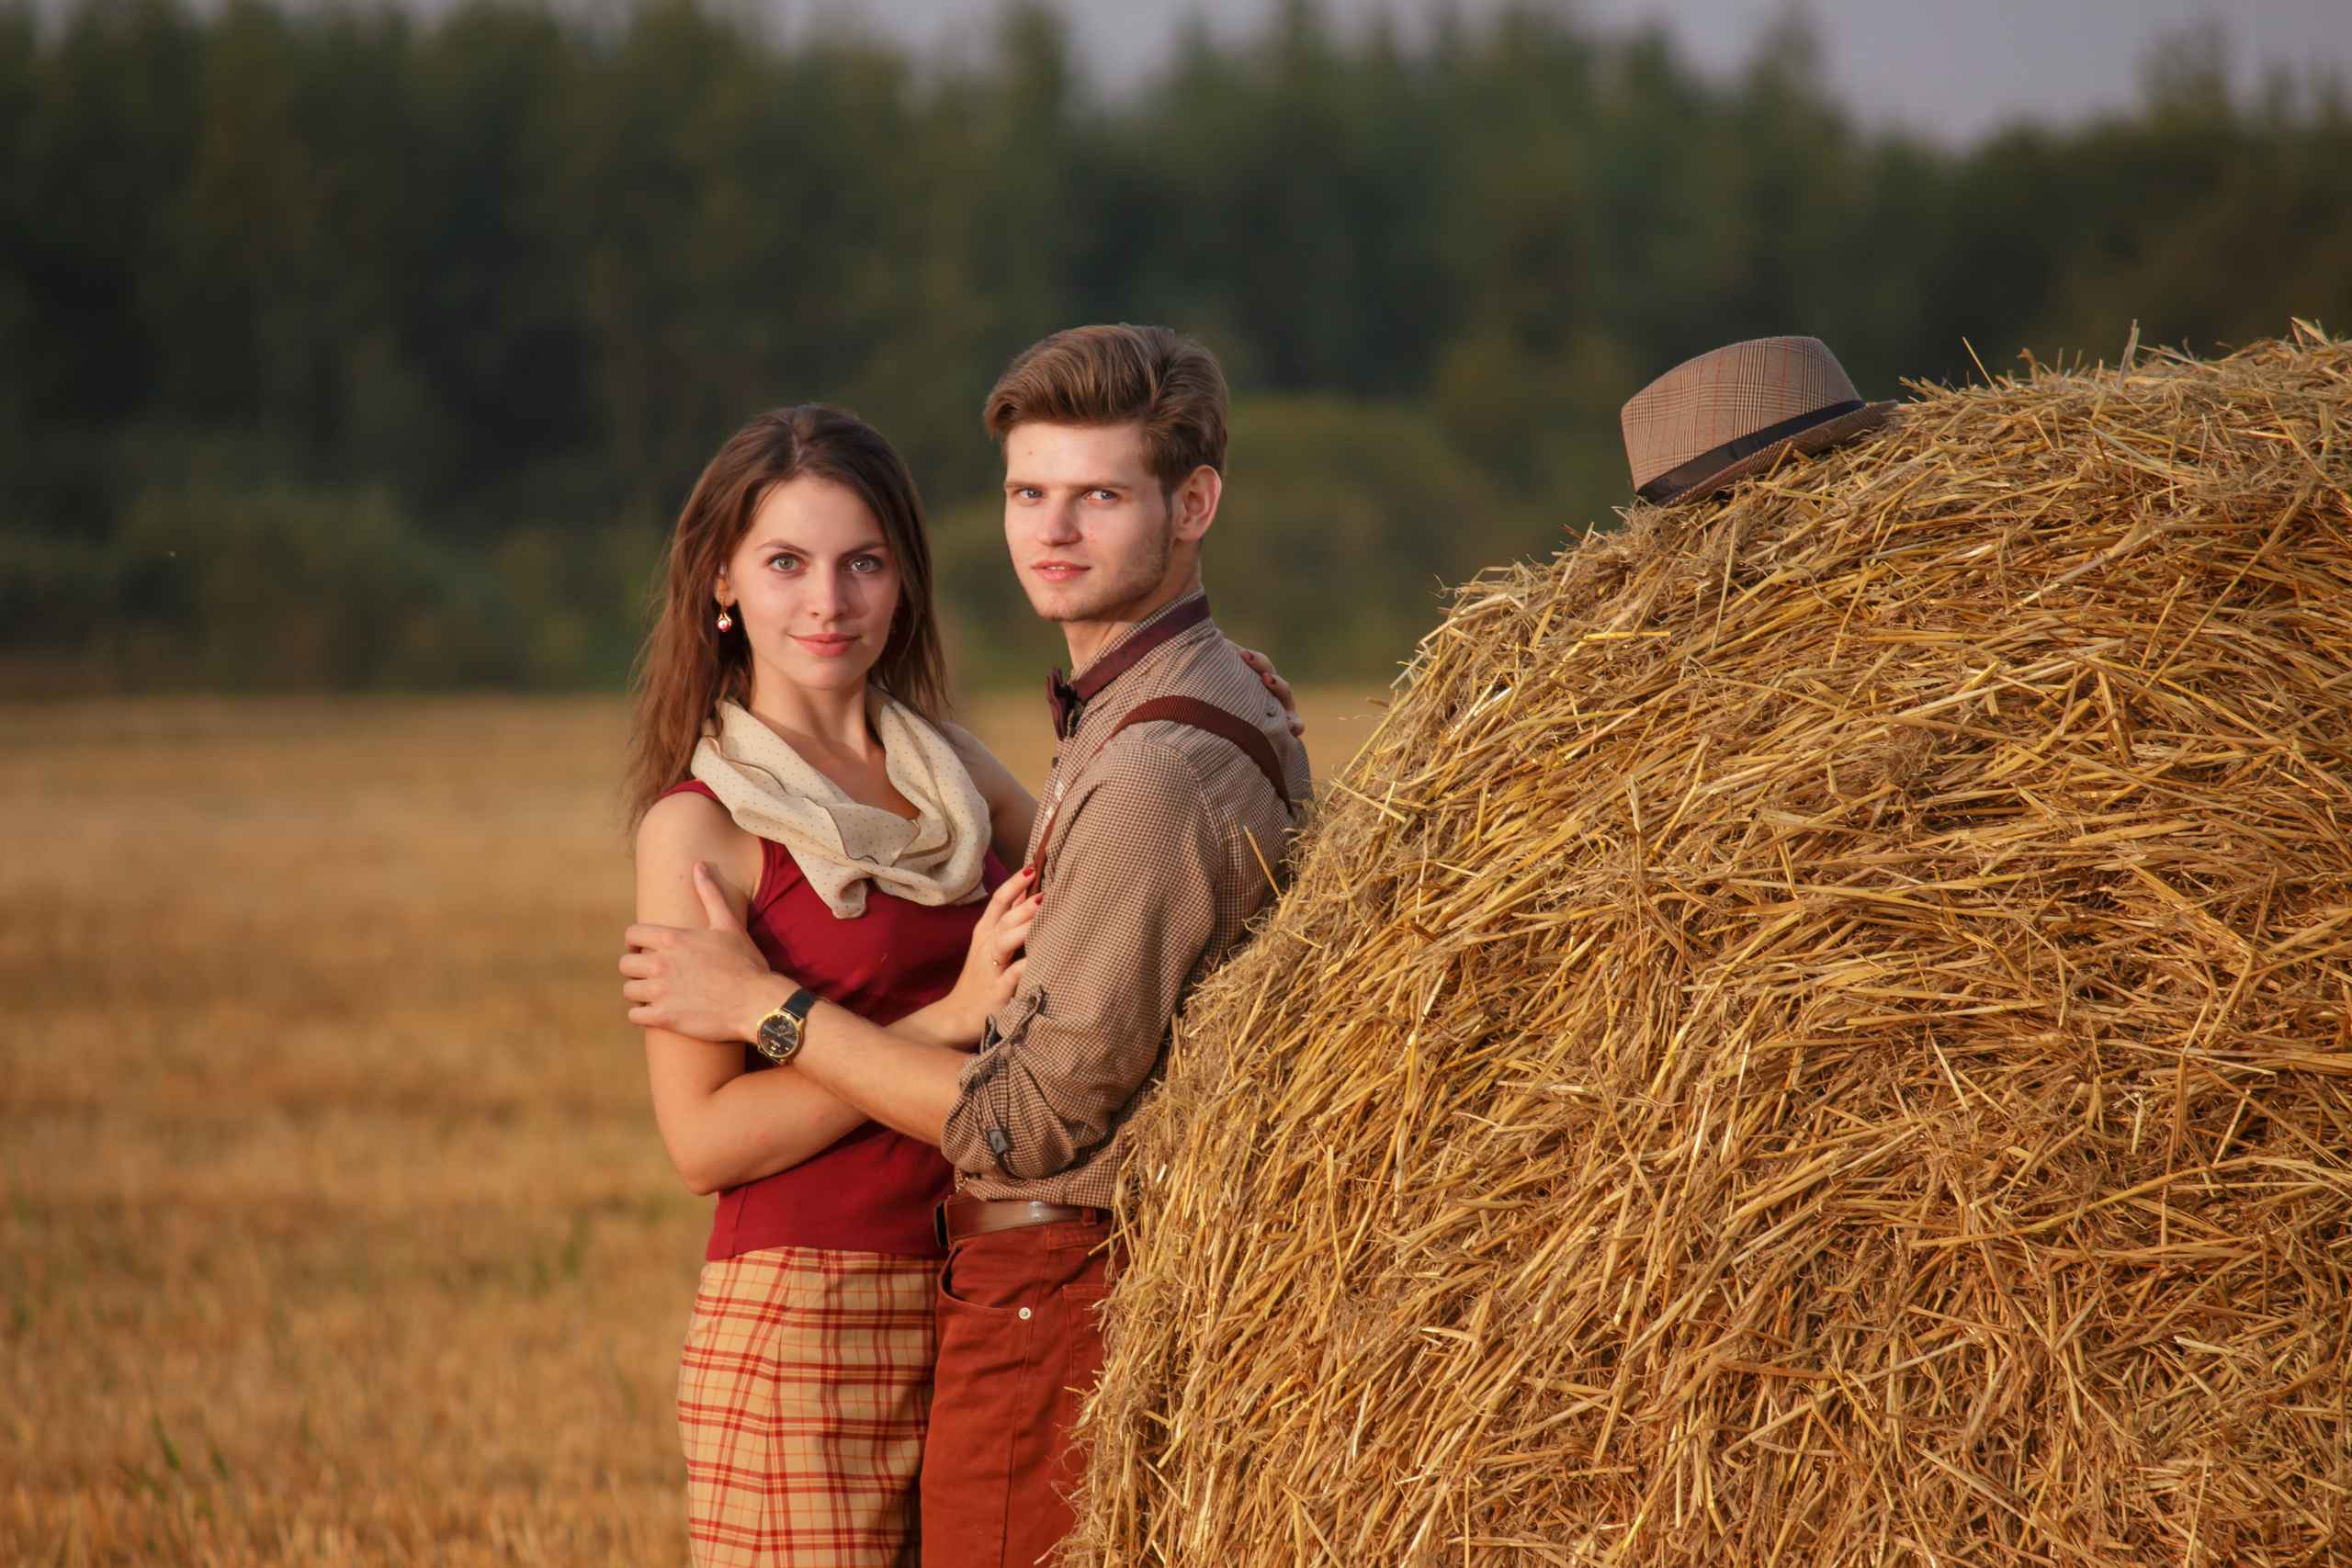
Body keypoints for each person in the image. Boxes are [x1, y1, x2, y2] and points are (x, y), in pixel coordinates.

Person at [621, 324, 1312, 1568]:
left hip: (976, 1288)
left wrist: (1232, 707)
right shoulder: (699, 825)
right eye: (784, 564)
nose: (827, 601)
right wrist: (934, 1022)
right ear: (723, 582)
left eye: (862, 564)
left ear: (904, 580)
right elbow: (700, 1145)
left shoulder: (953, 768)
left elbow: (1122, 859)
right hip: (809, 1314)